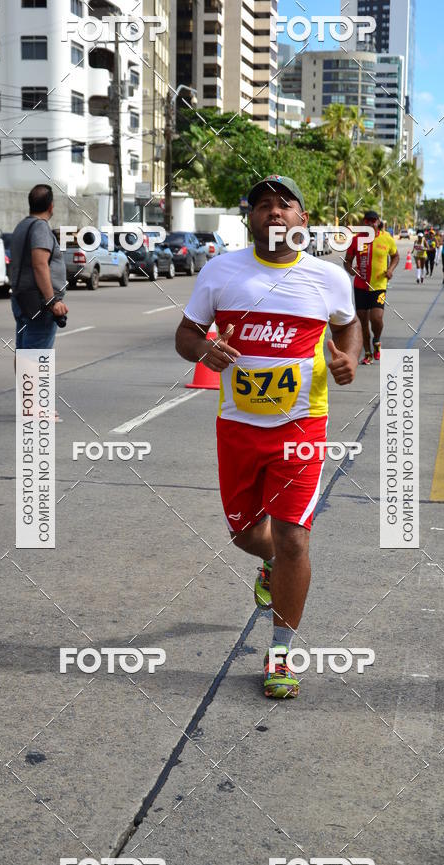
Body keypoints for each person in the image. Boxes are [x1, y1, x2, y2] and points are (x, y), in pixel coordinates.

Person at [175, 174, 362, 700]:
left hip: (302, 424)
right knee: (242, 532)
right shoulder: (220, 272)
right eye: (262, 205)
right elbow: (187, 334)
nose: (273, 212)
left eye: (285, 205)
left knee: (293, 535)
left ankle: (281, 651)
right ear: (249, 219)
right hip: (237, 425)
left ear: (303, 219)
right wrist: (204, 350)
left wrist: (345, 356)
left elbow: (348, 324)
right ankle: (269, 564)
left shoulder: (327, 278)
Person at [11, 184, 68, 351]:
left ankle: (24, 378)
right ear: (51, 206)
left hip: (22, 298)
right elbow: (40, 264)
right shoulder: (40, 227)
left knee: (24, 351)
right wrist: (52, 301)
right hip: (39, 303)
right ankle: (31, 378)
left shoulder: (22, 226)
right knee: (36, 357)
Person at [343, 210, 399, 365]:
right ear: (363, 222)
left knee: (376, 318)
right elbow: (347, 261)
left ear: (378, 222)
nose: (370, 223)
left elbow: (396, 256)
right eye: (368, 221)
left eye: (373, 221)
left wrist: (390, 270)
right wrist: (351, 270)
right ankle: (367, 353)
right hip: (360, 286)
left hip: (379, 285)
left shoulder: (386, 238)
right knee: (362, 322)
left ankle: (377, 341)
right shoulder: (356, 240)